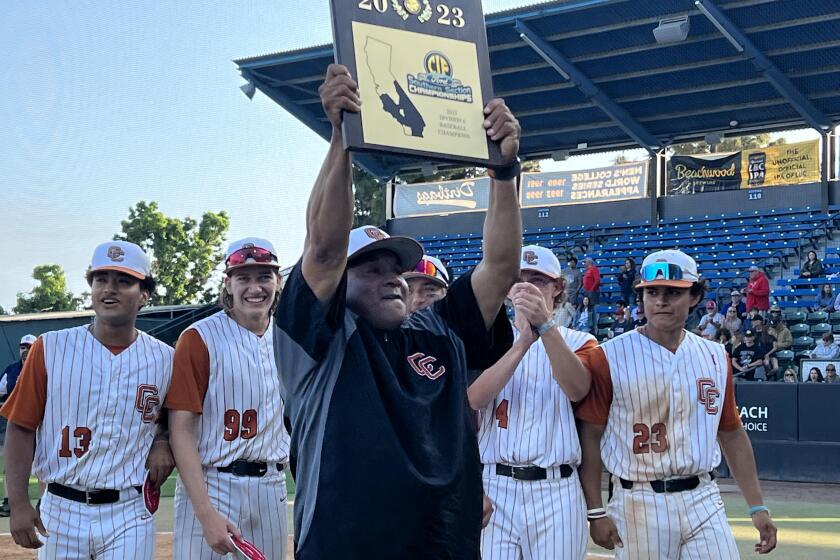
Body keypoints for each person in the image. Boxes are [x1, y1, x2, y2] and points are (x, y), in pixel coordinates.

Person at [271, 64, 521, 559]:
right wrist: (343, 135)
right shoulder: (318, 341)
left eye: (397, 268)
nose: (393, 277)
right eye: (369, 269)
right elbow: (322, 251)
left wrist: (504, 173)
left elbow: (501, 266)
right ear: (337, 287)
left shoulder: (436, 331)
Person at [576, 249, 777, 558]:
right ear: (641, 297)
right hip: (638, 499)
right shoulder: (607, 356)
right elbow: (589, 437)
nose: (660, 301)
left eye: (673, 292)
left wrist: (757, 506)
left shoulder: (714, 355)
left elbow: (731, 433)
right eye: (651, 292)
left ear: (694, 296)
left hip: (703, 497)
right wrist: (595, 510)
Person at [0, 241, 175, 557]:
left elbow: (175, 420)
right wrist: (19, 501)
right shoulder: (50, 348)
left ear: (144, 294)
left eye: (124, 281)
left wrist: (163, 440)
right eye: (101, 279)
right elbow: (21, 427)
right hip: (61, 509)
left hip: (129, 510)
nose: (110, 289)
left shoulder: (166, 359)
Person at [470, 245, 601, 560]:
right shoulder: (487, 339)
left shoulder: (580, 341)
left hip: (556, 488)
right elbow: (474, 399)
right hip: (496, 484)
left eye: (539, 281)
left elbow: (577, 389)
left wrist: (544, 327)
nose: (527, 288)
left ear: (557, 288)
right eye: (520, 280)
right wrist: (522, 344)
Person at [165, 238, 291, 559]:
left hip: (271, 485)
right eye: (243, 277)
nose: (254, 287)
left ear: (277, 281)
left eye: (263, 276)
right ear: (228, 283)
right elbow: (181, 431)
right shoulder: (199, 338)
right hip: (214, 483)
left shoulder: (289, 339)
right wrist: (206, 514)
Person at [0, 334, 36, 517]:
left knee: (42, 464)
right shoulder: (11, 370)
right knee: (12, 464)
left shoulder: (44, 369)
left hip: (40, 426)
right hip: (16, 424)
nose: (25, 350)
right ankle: (9, 502)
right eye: (23, 346)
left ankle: (43, 503)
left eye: (29, 346)